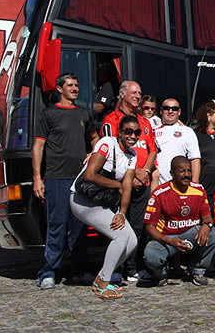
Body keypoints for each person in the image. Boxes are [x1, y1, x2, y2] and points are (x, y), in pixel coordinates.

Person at [33, 73, 99, 290]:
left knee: (78, 227)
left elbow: (95, 140)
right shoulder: (49, 114)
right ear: (59, 89)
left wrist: (94, 153)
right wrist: (37, 178)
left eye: (77, 85)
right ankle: (49, 272)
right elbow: (38, 147)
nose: (75, 88)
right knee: (56, 226)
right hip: (55, 178)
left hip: (79, 180)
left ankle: (79, 271)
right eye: (70, 85)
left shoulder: (83, 113)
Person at [69, 115, 139, 300]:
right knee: (120, 236)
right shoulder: (107, 143)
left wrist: (122, 213)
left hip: (101, 201)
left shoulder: (132, 155)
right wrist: (117, 185)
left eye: (137, 132)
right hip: (82, 199)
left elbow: (128, 186)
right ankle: (103, 285)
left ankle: (101, 278)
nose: (133, 135)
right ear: (120, 132)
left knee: (131, 241)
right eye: (128, 131)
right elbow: (90, 175)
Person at [101, 80, 157, 281]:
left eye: (139, 93)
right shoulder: (111, 120)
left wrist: (146, 171)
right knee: (117, 226)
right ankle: (114, 270)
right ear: (122, 94)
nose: (137, 96)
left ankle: (133, 267)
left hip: (143, 182)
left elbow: (152, 150)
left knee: (138, 226)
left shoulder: (146, 122)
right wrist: (131, 174)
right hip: (120, 183)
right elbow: (110, 150)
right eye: (133, 92)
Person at [143, 156, 215, 286]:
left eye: (189, 171)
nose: (187, 175)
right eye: (182, 171)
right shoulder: (160, 193)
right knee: (151, 254)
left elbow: (208, 217)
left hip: (190, 236)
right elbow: (149, 227)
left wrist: (206, 226)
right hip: (167, 238)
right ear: (172, 173)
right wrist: (169, 240)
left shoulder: (198, 189)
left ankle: (198, 270)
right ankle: (161, 273)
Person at [154, 97, 201, 185]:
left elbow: (195, 159)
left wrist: (195, 184)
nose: (170, 111)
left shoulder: (187, 131)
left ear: (179, 112)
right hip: (157, 185)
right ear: (161, 111)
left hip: (180, 186)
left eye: (174, 109)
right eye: (166, 108)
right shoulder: (153, 130)